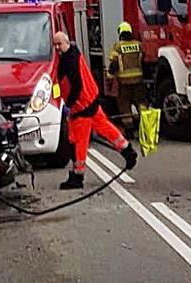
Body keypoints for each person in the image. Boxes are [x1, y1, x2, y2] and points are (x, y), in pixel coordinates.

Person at [54, 31, 137, 190]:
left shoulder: (69, 61)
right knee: (105, 127)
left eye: (59, 44)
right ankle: (128, 151)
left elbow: (76, 85)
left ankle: (78, 176)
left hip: (81, 106)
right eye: (55, 45)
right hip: (90, 99)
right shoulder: (73, 54)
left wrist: (69, 104)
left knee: (78, 141)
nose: (57, 47)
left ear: (66, 43)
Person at [108, 22, 145, 136]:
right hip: (138, 81)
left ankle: (129, 131)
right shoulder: (138, 45)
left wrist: (110, 76)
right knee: (141, 103)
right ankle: (144, 127)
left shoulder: (118, 47)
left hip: (124, 83)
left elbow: (114, 63)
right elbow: (144, 60)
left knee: (124, 105)